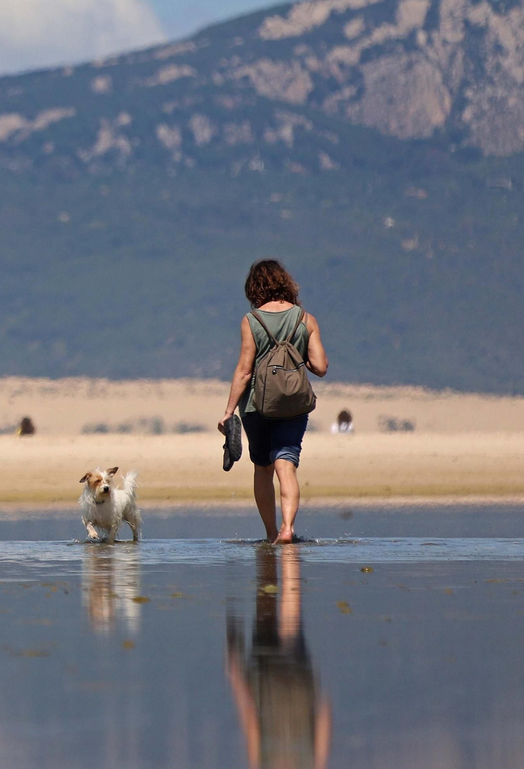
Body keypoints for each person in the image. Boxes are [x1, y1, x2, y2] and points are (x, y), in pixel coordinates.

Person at [217, 259, 328, 543]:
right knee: (286, 463)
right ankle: (288, 529)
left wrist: (228, 412)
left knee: (263, 468)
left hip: (258, 406)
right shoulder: (306, 319)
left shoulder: (251, 321)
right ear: (286, 283)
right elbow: (321, 367)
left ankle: (270, 534)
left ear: (254, 288)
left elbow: (244, 370)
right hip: (294, 404)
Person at [225, 546, 332, 769]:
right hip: (277, 686)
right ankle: (284, 545)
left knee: (288, 619)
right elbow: (252, 723)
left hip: (289, 687)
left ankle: (278, 545)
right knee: (281, 618)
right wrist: (236, 673)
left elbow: (252, 722)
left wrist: (235, 673)